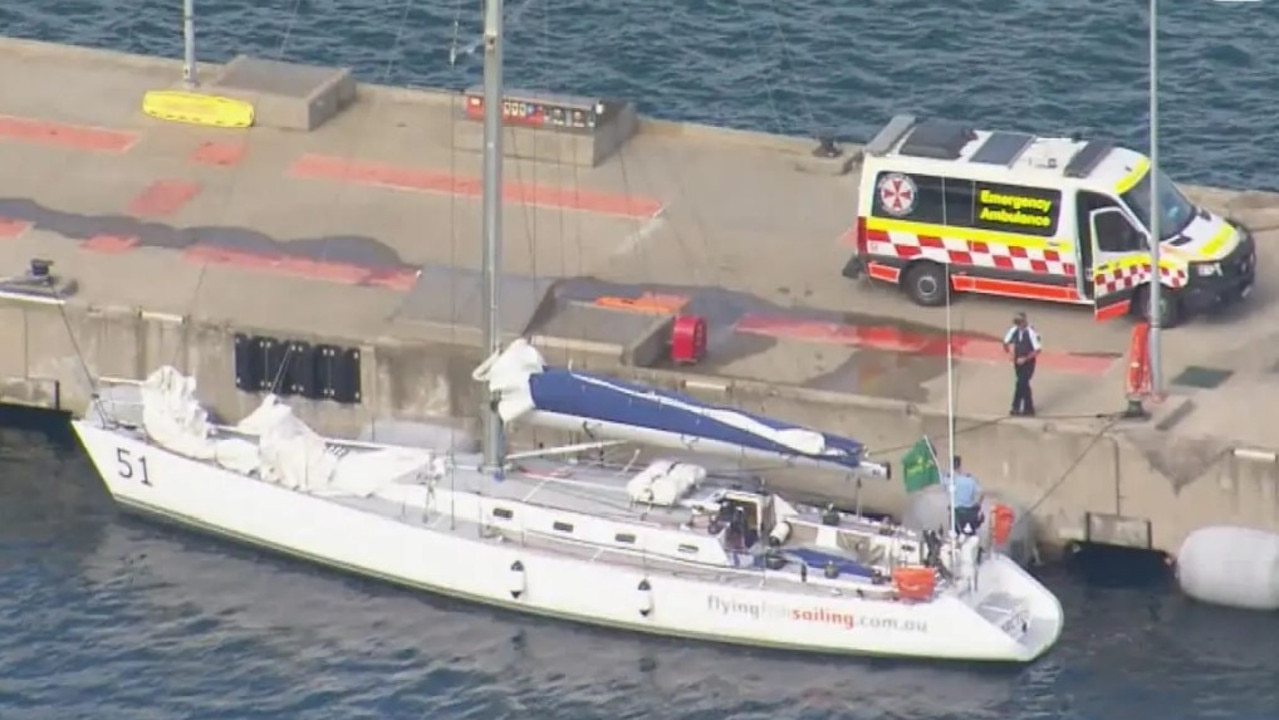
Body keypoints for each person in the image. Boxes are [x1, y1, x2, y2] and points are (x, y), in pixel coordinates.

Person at [1002, 311, 1041, 416]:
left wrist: (1025, 358)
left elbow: (1037, 350)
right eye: (1017, 323)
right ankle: (1026, 409)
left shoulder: (1031, 333)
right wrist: (1010, 353)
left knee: (1021, 383)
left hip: (1028, 363)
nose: (1019, 326)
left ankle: (1018, 407)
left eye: (1021, 323)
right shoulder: (1014, 330)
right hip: (1017, 362)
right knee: (1022, 384)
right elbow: (1005, 343)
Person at [943, 455, 983, 535]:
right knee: (970, 534)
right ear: (960, 465)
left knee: (955, 536)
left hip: (956, 513)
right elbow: (981, 494)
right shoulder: (970, 479)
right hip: (970, 512)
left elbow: (945, 487)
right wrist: (978, 504)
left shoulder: (948, 479)